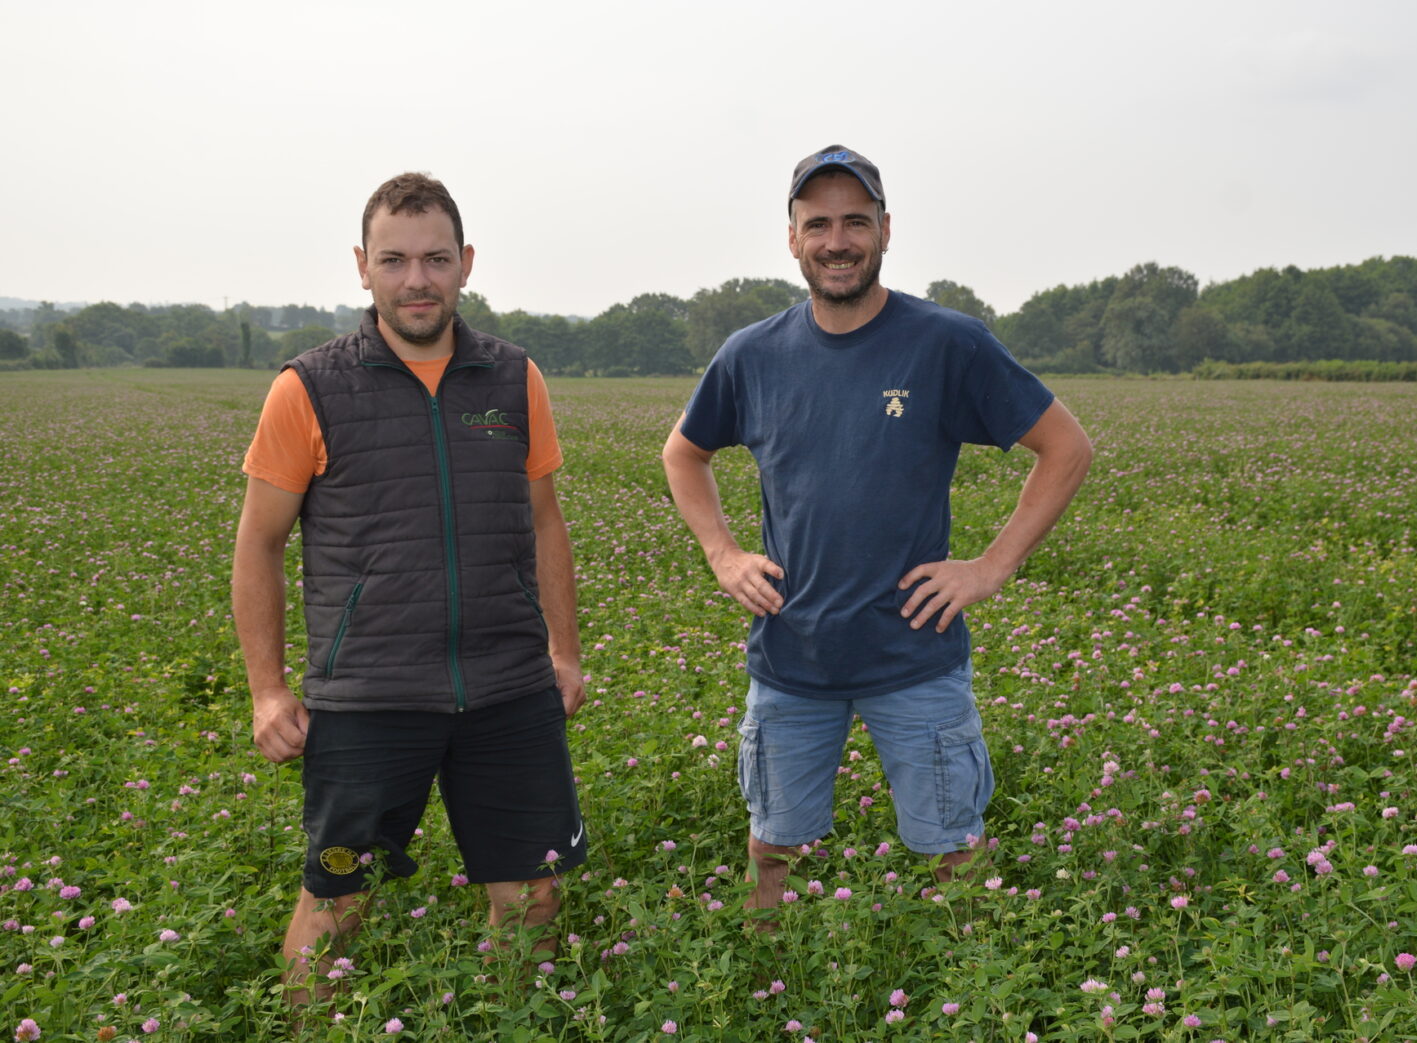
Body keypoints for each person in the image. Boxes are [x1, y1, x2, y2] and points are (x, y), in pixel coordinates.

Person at [661, 145, 1093, 911]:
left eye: (855, 221)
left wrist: (989, 566)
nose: (837, 240)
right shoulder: (752, 355)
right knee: (773, 848)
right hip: (791, 655)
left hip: (914, 655)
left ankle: (971, 993)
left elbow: (1066, 448)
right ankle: (768, 991)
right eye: (817, 223)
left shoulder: (945, 342)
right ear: (791, 237)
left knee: (953, 848)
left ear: (886, 231)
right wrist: (722, 553)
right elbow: (684, 453)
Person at [231, 173, 587, 1005]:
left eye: (434, 258)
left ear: (465, 263)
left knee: (532, 893)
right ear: (363, 267)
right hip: (368, 697)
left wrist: (563, 653)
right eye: (394, 259)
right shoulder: (308, 387)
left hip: (507, 689)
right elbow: (259, 542)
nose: (416, 279)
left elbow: (545, 523)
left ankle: (512, 1022)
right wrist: (266, 689)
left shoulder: (513, 378)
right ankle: (306, 1025)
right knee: (336, 899)